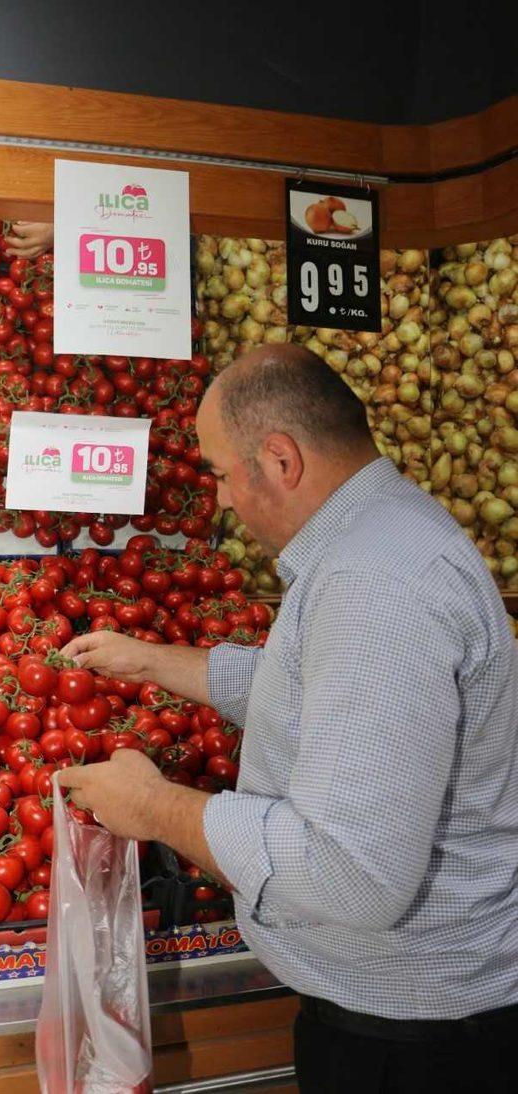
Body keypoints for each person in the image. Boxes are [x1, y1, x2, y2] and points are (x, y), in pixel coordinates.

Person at [58, 343, 518, 1094]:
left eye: (220, 473)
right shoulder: (385, 533)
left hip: (417, 1043)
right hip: (410, 1020)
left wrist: (155, 807)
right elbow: (313, 688)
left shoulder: (375, 585)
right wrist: (152, 660)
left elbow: (352, 876)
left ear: (279, 460)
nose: (224, 501)